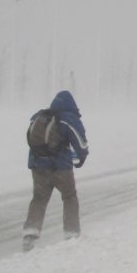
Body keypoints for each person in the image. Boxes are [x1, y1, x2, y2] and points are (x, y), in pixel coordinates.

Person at [22, 90, 89, 252]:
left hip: (38, 167)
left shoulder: (39, 117)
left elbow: (33, 142)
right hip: (61, 168)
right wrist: (80, 160)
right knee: (69, 197)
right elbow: (81, 144)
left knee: (39, 198)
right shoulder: (68, 119)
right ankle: (71, 233)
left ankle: (30, 233)